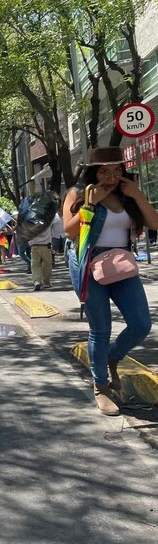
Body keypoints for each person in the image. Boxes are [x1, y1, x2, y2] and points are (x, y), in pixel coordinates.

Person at [64, 146, 158, 416]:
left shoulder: (126, 195)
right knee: (101, 328)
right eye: (105, 171)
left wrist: (137, 194)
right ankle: (101, 388)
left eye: (117, 170)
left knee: (141, 323)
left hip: (120, 264)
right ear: (94, 171)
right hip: (87, 262)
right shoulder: (77, 194)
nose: (111, 176)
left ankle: (111, 358)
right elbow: (71, 233)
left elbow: (154, 222)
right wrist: (90, 204)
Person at [28, 215, 53, 291]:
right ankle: (46, 282)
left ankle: (37, 282)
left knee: (35, 265)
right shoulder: (47, 221)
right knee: (47, 264)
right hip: (46, 246)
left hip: (34, 246)